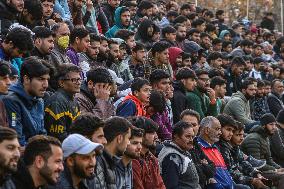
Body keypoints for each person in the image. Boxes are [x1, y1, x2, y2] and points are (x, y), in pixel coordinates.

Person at [2, 57, 51, 146]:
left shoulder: (39, 100)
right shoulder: (11, 100)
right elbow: (17, 140)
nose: (46, 85)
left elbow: (42, 134)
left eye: (47, 79)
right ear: (26, 79)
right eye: (41, 79)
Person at [216, 114, 266, 189]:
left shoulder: (231, 146)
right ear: (219, 128)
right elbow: (229, 172)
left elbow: (242, 162)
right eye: (228, 130)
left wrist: (256, 174)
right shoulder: (220, 147)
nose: (231, 134)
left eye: (232, 131)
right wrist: (251, 180)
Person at [241, 113, 284, 189]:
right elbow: (256, 164)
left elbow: (269, 160)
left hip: (264, 169)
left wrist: (279, 168)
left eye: (275, 124)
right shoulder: (253, 139)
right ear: (263, 125)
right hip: (254, 173)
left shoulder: (265, 137)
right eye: (271, 124)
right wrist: (275, 170)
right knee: (283, 177)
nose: (274, 127)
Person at [158, 121, 201, 189]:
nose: (191, 140)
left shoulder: (183, 151)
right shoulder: (171, 157)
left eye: (192, 137)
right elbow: (171, 187)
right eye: (188, 136)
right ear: (176, 136)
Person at [44, 63, 81, 141]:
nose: (78, 83)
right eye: (74, 80)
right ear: (61, 82)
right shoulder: (57, 102)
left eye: (79, 79)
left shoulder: (75, 101)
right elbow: (59, 137)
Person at [195, 116, 234, 189]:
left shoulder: (215, 148)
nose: (220, 132)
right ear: (207, 130)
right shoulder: (198, 147)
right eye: (217, 129)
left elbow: (225, 171)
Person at [95, 116, 131, 189]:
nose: (128, 143)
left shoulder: (111, 161)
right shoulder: (98, 163)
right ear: (119, 138)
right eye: (128, 138)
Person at [130, 116, 166, 189]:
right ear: (141, 135)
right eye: (152, 133)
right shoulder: (133, 161)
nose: (156, 136)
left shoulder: (152, 159)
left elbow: (160, 185)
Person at [0, 61, 11, 127]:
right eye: (4, 78)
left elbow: (14, 122)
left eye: (9, 78)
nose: (9, 82)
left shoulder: (3, 101)